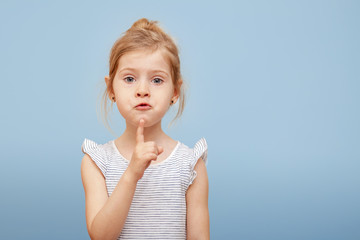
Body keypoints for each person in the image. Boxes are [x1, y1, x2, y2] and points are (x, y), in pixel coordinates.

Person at [80, 18, 209, 240]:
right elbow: (101, 236)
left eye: (157, 80)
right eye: (129, 78)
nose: (142, 90)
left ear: (175, 91)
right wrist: (132, 173)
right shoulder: (97, 162)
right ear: (111, 88)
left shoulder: (190, 165)